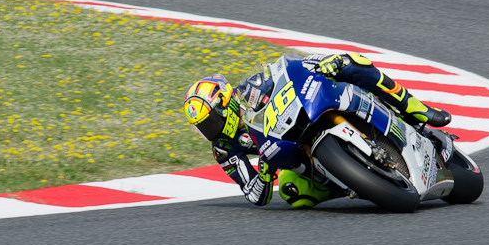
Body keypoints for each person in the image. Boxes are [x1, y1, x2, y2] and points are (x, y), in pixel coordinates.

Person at [181, 53, 452, 208]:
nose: (210, 129)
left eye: (210, 120)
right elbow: (255, 195)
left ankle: (415, 108)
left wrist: (316, 64)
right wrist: (264, 172)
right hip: (292, 153)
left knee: (351, 62)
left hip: (305, 111)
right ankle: (353, 184)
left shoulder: (251, 87)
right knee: (291, 192)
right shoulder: (223, 149)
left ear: (225, 103)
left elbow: (287, 68)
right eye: (203, 127)